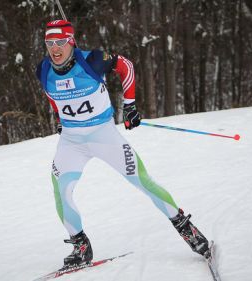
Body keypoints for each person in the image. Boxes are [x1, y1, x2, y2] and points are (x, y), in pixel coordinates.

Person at [36, 20, 211, 270]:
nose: (55, 48)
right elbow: (52, 96)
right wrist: (61, 119)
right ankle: (80, 246)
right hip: (72, 141)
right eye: (49, 43)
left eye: (60, 42)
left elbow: (126, 65)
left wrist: (130, 105)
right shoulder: (43, 69)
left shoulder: (93, 60)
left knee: (143, 180)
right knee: (61, 190)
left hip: (103, 136)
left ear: (71, 41)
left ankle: (186, 228)